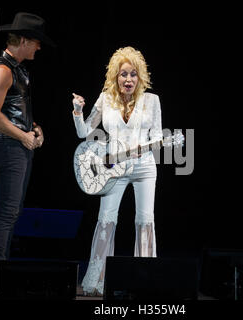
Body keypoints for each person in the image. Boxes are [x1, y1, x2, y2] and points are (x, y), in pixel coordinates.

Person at [72, 46, 163, 296]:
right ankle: (98, 280)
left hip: (144, 167)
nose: (129, 79)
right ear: (115, 76)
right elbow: (84, 132)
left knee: (145, 221)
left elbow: (157, 137)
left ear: (140, 76)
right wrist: (78, 111)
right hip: (113, 169)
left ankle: (144, 280)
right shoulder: (106, 99)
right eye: (124, 74)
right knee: (106, 221)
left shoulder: (152, 101)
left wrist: (143, 147)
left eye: (133, 74)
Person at [0, 12, 55, 267]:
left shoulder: (19, 69)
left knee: (13, 212)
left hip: (19, 144)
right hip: (8, 145)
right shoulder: (2, 70)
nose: (39, 46)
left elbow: (14, 109)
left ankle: (1, 272)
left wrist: (34, 127)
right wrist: (23, 135)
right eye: (36, 41)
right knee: (7, 212)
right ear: (24, 40)